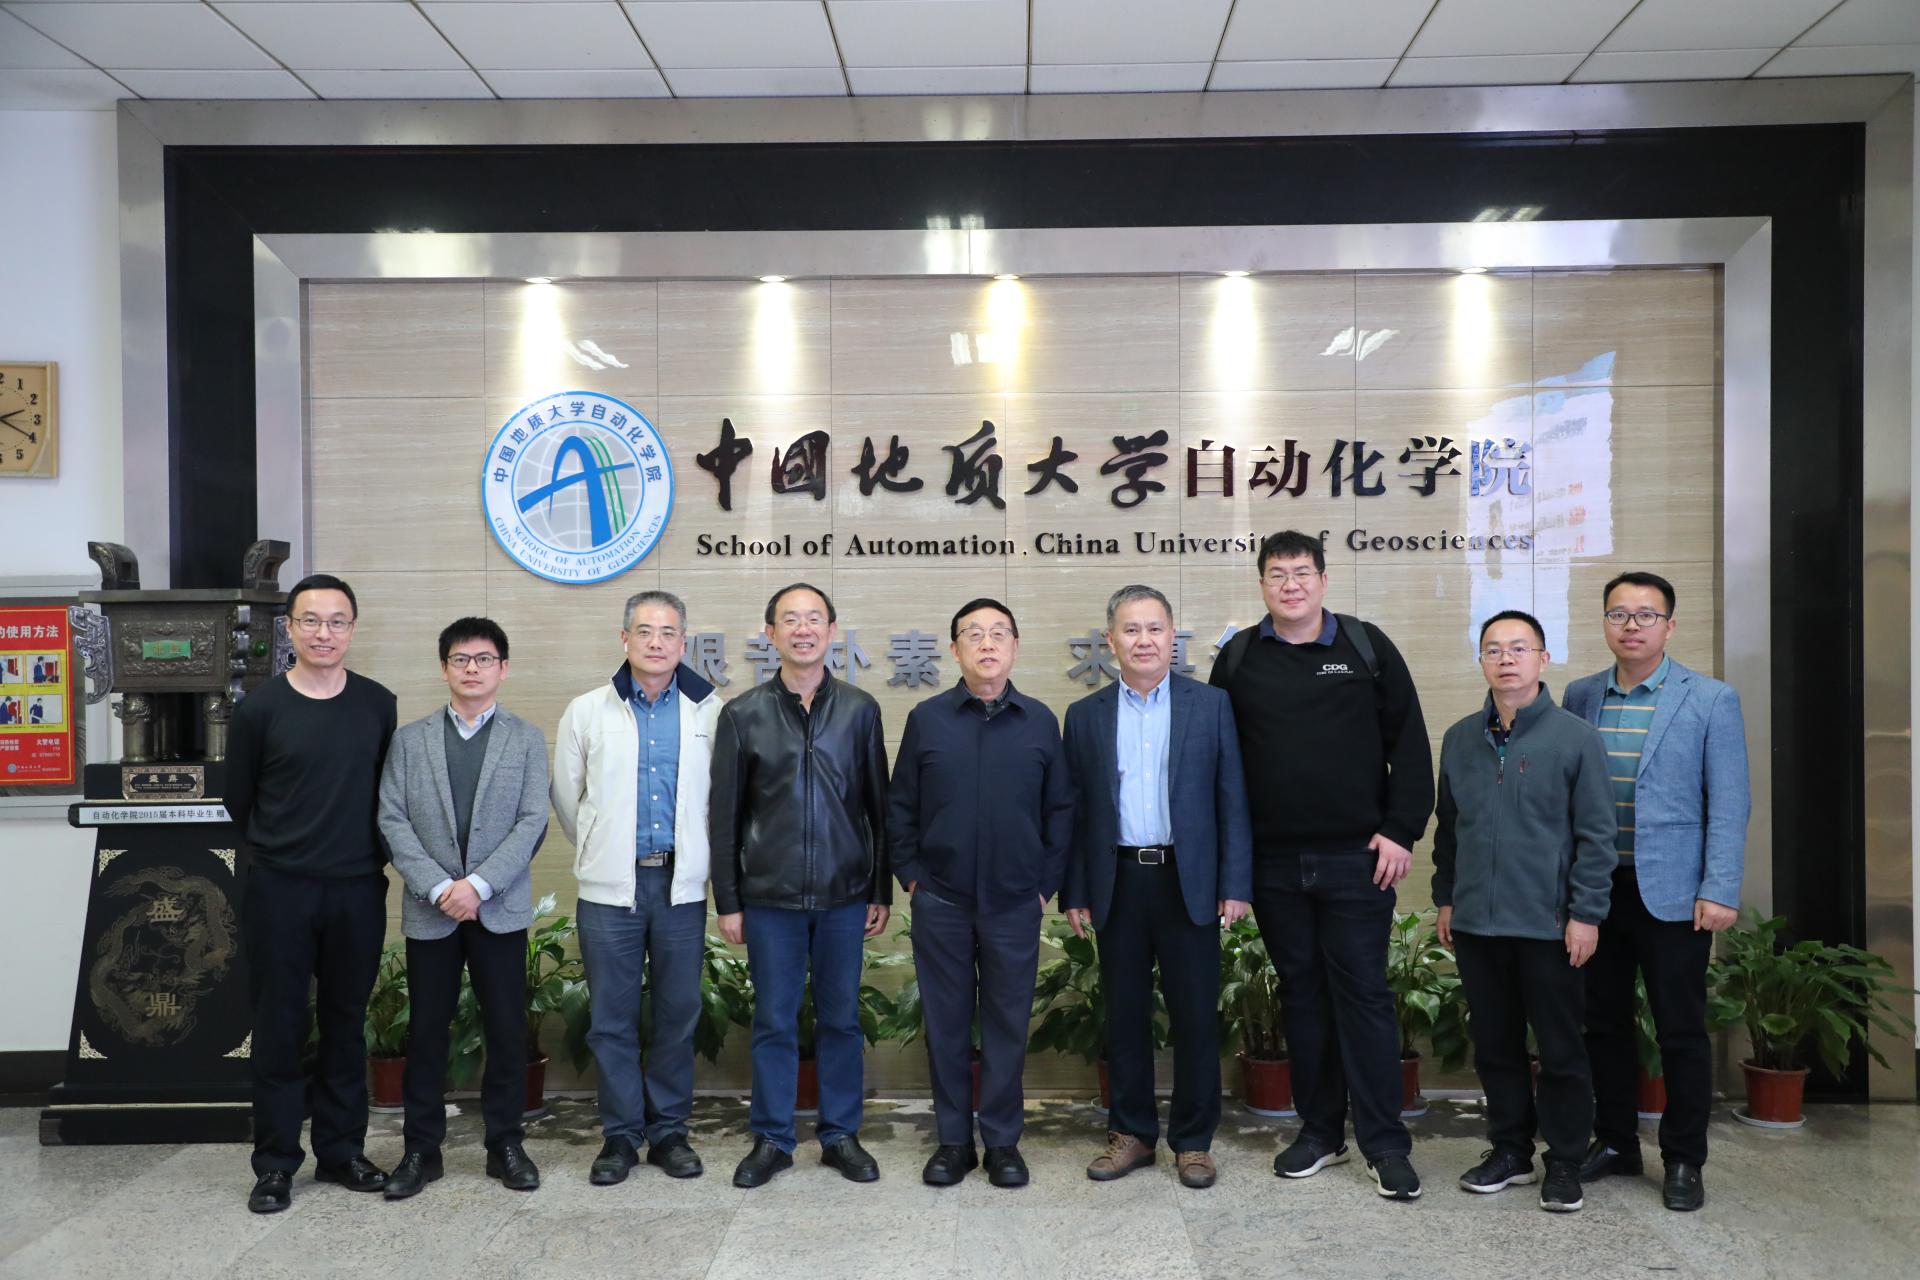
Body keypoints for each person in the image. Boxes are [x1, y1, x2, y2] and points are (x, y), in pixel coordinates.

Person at [1209, 529, 1432, 1200]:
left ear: (1324, 580)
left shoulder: (1365, 646)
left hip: (1357, 860)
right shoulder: (1240, 657)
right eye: (1278, 575)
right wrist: (1232, 862)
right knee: (1302, 997)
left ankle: (1385, 1144)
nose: (1291, 585)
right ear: (1261, 584)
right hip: (1274, 864)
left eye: (1302, 572)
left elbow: (1410, 743)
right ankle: (1320, 1132)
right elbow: (1219, 763)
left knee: (1363, 997)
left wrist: (1400, 830)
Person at [1565, 571, 1749, 1212]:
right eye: (1619, 614)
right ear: (1605, 624)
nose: (1632, 625)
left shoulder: (1711, 699)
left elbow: (1729, 801)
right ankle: (1616, 1141)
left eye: (1646, 614)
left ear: (1670, 625)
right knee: (1602, 1023)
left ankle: (1684, 1159)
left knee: (1681, 1030)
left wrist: (1719, 886)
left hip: (1674, 893)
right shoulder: (1581, 695)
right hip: (1597, 889)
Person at [1061, 585, 1252, 1190]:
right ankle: (1132, 1135)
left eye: (1154, 629)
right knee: (1124, 1014)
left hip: (1187, 880)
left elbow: (1232, 798)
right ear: (1110, 640)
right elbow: (1076, 811)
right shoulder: (1085, 715)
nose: (1143, 640)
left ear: (1172, 637)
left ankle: (1193, 1142)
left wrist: (1235, 883)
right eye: (1130, 629)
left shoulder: (1210, 705)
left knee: (1195, 1015)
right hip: (1117, 878)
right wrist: (1075, 890)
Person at [1433, 610, 1616, 1214]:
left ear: (1543, 658)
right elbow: (1449, 831)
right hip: (1477, 925)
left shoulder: (1575, 738)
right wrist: (1446, 897)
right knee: (1495, 1045)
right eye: (1493, 649)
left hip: (1550, 925)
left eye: (1519, 648)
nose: (1506, 659)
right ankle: (1510, 1149)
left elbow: (1597, 836)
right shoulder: (1460, 738)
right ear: (1481, 661)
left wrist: (1586, 913)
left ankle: (1564, 1160)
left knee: (1561, 1049)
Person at [887, 597, 1073, 1189]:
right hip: (941, 900)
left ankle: (1001, 1142)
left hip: (1015, 903)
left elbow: (1060, 811)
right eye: (974, 634)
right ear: (954, 649)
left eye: (998, 633)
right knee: (945, 1025)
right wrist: (911, 875)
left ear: (1015, 646)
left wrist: (1043, 887)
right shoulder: (927, 719)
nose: (987, 643)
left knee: (1006, 1025)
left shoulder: (1040, 721)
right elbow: (901, 805)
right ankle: (951, 1142)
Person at [710, 583, 891, 1188]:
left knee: (841, 1020)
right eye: (790, 619)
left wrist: (880, 890)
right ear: (770, 634)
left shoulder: (861, 710)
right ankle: (772, 1139)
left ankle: (840, 1135)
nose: (803, 629)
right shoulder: (743, 714)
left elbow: (878, 807)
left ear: (832, 631)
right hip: (770, 899)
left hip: (844, 896)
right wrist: (729, 900)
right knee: (773, 1021)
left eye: (814, 619)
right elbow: (724, 817)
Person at [226, 573, 398, 1214]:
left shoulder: (378, 704)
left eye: (336, 621)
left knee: (346, 1025)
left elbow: (387, 795)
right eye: (311, 621)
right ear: (290, 628)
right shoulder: (259, 709)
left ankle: (342, 1151)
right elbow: (238, 801)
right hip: (281, 890)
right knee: (279, 1025)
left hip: (357, 888)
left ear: (352, 629)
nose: (324, 633)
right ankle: (275, 1163)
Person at [553, 590, 724, 1185]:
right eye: (645, 631)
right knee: (611, 1019)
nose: (656, 642)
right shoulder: (586, 711)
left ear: (684, 642)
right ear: (624, 638)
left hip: (680, 886)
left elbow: (720, 800)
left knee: (678, 1013)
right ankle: (621, 1135)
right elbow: (568, 799)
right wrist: (603, 848)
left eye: (668, 633)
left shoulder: (711, 712)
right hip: (610, 891)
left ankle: (670, 1132)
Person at [377, 617, 550, 1199]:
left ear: (503, 667)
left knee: (506, 1030)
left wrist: (477, 886)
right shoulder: (410, 740)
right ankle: (420, 1151)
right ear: (444, 667)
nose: (472, 668)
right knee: (427, 1031)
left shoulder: (526, 739)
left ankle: (506, 1145)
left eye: (484, 659)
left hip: (498, 908)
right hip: (432, 910)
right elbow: (392, 819)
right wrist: (438, 887)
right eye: (460, 659)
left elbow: (532, 821)